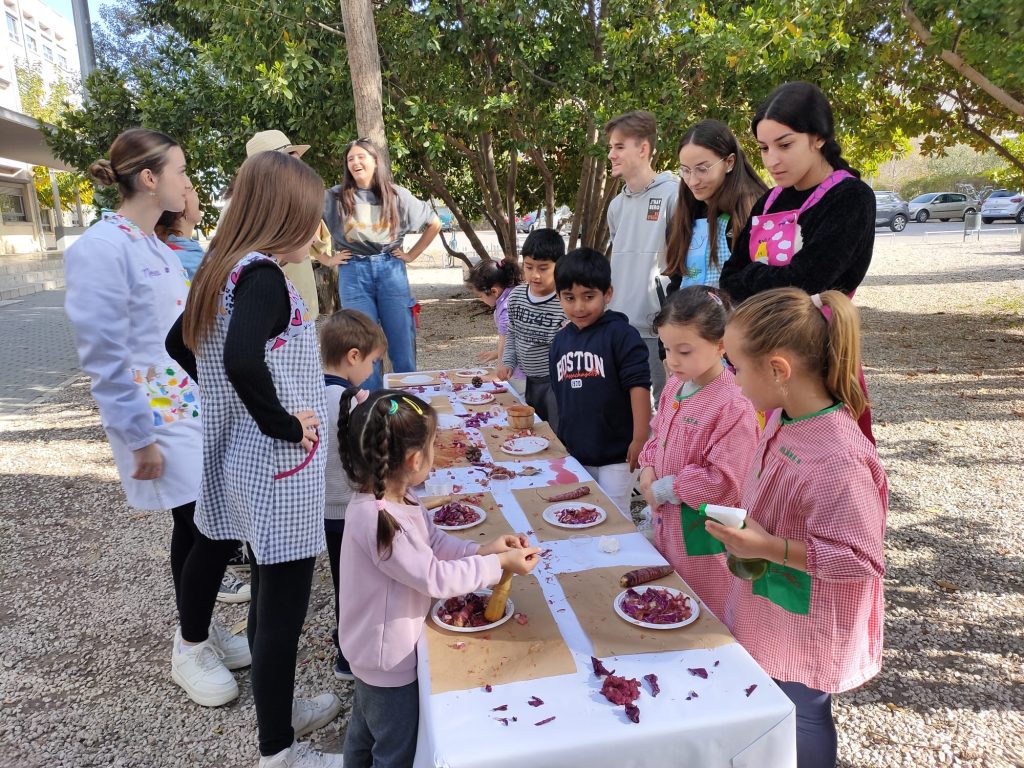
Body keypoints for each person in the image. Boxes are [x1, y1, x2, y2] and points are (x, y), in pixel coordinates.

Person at [167, 151, 343, 767]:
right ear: (284, 215)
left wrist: (226, 401)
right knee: (281, 612)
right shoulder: (263, 277)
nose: (316, 233)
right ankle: (279, 751)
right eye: (311, 219)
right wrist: (282, 422)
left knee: (269, 593)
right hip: (278, 468)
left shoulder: (221, 268)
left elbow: (178, 343)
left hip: (242, 462)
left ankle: (279, 711)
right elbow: (242, 358)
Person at [65, 129, 250, 709]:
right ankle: (189, 647)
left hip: (189, 406)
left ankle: (200, 627)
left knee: (195, 527)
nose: (187, 182)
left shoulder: (153, 245)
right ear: (149, 179)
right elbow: (103, 357)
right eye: (181, 171)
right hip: (156, 419)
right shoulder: (101, 247)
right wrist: (136, 437)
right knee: (211, 526)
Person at [708, 288, 887, 768]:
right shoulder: (784, 416)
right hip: (771, 604)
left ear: (778, 370)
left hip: (808, 623)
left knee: (802, 711)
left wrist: (768, 545)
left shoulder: (838, 458)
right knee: (770, 703)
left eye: (736, 367)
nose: (732, 381)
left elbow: (860, 559)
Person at [337, 390, 540, 767]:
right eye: (433, 446)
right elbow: (433, 578)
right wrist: (498, 566)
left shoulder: (396, 497)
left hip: (372, 651)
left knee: (365, 731)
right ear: (415, 459)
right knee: (393, 749)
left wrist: (484, 550)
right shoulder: (379, 519)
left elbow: (433, 543)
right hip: (387, 658)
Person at [718, 81, 877, 441]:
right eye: (764, 148)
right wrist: (775, 278)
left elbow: (807, 282)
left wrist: (755, 275)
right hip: (760, 351)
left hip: (817, 354)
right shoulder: (769, 201)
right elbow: (730, 278)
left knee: (819, 450)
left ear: (818, 137)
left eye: (785, 145)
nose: (772, 160)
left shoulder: (851, 198)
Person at [636, 286, 759, 618]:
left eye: (685, 351)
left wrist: (668, 487)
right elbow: (659, 432)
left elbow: (726, 480)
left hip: (704, 537)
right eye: (666, 348)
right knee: (668, 602)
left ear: (721, 345)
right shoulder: (676, 384)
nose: (672, 360)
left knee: (702, 609)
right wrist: (648, 466)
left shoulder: (733, 404)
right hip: (667, 523)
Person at [323, 138, 442, 390]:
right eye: (350, 159)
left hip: (391, 271)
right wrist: (326, 259)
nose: (355, 162)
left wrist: (412, 255)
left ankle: (407, 403)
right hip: (353, 273)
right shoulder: (334, 197)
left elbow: (434, 223)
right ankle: (371, 407)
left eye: (361, 157)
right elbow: (302, 218)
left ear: (375, 161)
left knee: (402, 345)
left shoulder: (397, 195)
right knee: (362, 345)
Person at [548, 248, 651, 513]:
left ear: (607, 294)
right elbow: (561, 395)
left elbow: (639, 386)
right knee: (581, 511)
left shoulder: (622, 335)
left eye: (588, 296)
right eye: (569, 297)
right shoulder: (559, 341)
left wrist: (640, 438)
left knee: (615, 514)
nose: (579, 307)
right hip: (577, 450)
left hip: (618, 452)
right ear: (558, 296)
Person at [319, 308, 387, 681]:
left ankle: (346, 648)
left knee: (344, 580)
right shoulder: (345, 401)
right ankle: (350, 657)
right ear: (353, 356)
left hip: (328, 510)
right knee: (358, 585)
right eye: (372, 362)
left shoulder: (317, 389)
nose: (373, 370)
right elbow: (367, 456)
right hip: (349, 509)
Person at [605, 110, 680, 399]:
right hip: (619, 327)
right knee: (624, 408)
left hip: (657, 331)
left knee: (662, 409)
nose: (611, 154)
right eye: (611, 147)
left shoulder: (674, 194)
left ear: (643, 148)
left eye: (619, 146)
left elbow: (682, 266)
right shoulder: (615, 206)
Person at [665, 119, 768, 293]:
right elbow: (676, 281)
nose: (692, 181)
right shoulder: (683, 217)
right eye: (685, 170)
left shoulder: (755, 213)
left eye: (702, 169)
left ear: (729, 162)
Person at [245, 130, 337, 322]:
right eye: (291, 159)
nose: (299, 168)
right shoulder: (245, 208)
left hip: (302, 307)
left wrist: (327, 258)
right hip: (275, 315)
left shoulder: (292, 200)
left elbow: (313, 242)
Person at [496, 229, 566, 429]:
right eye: (528, 267)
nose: (535, 275)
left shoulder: (565, 301)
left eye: (543, 268)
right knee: (534, 426)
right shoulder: (516, 296)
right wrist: (507, 362)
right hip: (530, 381)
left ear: (559, 266)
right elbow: (512, 332)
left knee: (557, 429)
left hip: (557, 383)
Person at [464, 257, 526, 394]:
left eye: (481, 296)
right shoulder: (515, 295)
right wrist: (496, 354)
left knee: (517, 400)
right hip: (527, 364)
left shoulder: (506, 308)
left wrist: (499, 371)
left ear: (494, 291)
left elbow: (507, 340)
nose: (481, 300)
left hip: (520, 373)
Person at [155, 186, 206, 280]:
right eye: (191, 190)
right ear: (180, 209)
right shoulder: (185, 258)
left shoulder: (164, 248)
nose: (196, 193)